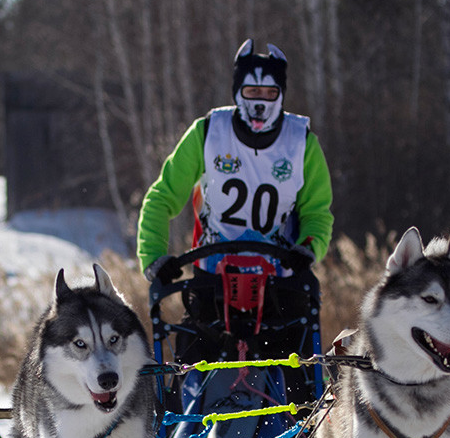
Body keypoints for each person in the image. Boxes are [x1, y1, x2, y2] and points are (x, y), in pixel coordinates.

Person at [137, 39, 333, 282]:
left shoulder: (302, 143)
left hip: (282, 276)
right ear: (237, 92)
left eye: (270, 93)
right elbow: (161, 198)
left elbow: (317, 213)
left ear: (281, 95)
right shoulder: (207, 132)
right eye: (252, 91)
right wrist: (154, 257)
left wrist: (309, 249)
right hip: (213, 275)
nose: (260, 102)